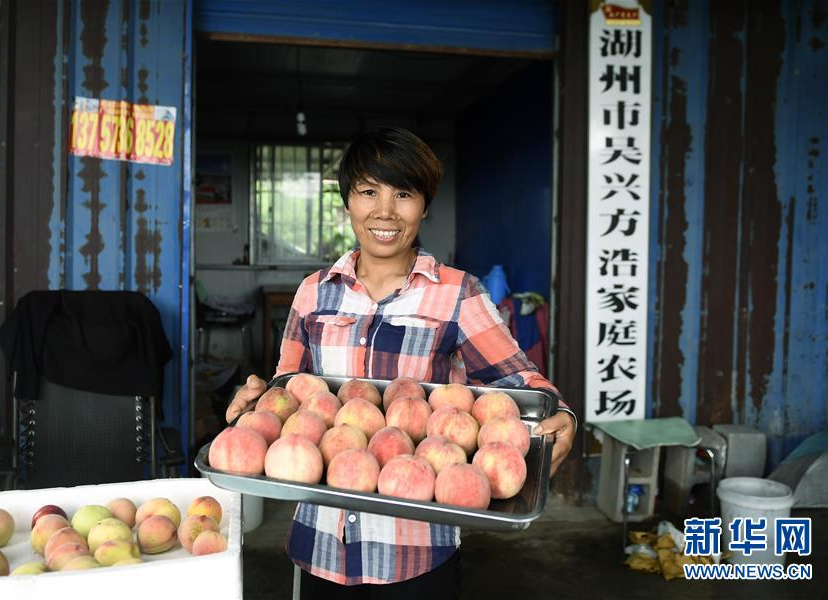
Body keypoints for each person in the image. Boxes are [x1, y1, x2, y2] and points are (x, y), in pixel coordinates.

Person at [225, 127, 576, 598]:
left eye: (404, 193)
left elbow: (520, 381)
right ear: (348, 201)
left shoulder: (457, 292)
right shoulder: (315, 291)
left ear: (424, 206)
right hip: (323, 543)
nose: (385, 211)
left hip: (415, 551)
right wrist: (254, 404)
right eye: (368, 191)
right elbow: (287, 390)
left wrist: (562, 414)